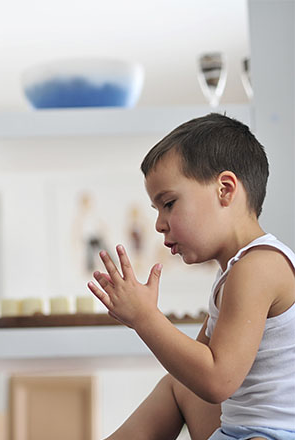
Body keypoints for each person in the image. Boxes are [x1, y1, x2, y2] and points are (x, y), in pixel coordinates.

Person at [87, 113, 295, 440]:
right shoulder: (235, 271)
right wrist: (140, 315)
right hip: (241, 428)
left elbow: (217, 381)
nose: (158, 224)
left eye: (168, 203)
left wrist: (145, 318)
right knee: (178, 386)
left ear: (225, 190)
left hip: (271, 434)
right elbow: (195, 373)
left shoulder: (258, 267)